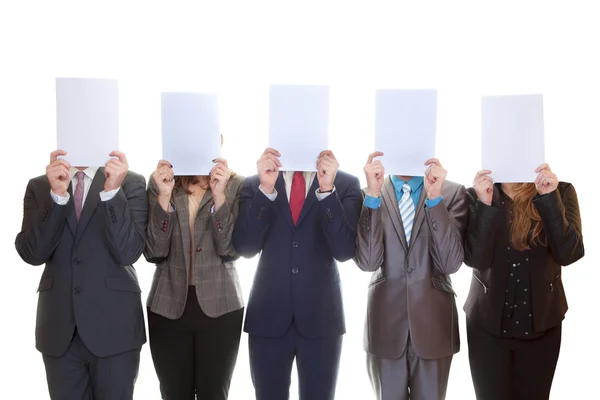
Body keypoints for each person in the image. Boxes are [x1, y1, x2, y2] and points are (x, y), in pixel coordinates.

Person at [15, 149, 147, 399]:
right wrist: (56, 196)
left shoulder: (130, 182)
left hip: (115, 328)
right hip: (59, 330)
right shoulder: (39, 186)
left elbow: (129, 252)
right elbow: (32, 253)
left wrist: (112, 192)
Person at [232, 147, 362, 400]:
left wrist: (326, 191)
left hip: (322, 319)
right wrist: (266, 190)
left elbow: (345, 251)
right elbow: (245, 248)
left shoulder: (344, 184)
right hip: (268, 318)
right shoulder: (255, 183)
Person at [463, 164, 585, 400]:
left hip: (542, 327)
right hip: (487, 329)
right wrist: (485, 204)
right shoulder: (475, 194)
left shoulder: (561, 191)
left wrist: (549, 197)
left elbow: (569, 253)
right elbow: (475, 259)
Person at [354, 152, 468, 400]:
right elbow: (368, 261)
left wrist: (435, 200)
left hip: (433, 326)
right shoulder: (368, 194)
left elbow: (450, 263)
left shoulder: (452, 193)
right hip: (385, 326)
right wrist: (372, 197)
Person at [144, 157, 244, 399]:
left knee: (214, 393)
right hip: (167, 306)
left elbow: (230, 251)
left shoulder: (235, 184)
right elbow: (154, 251)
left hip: (221, 307)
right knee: (173, 393)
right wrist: (164, 197)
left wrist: (219, 197)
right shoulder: (161, 181)